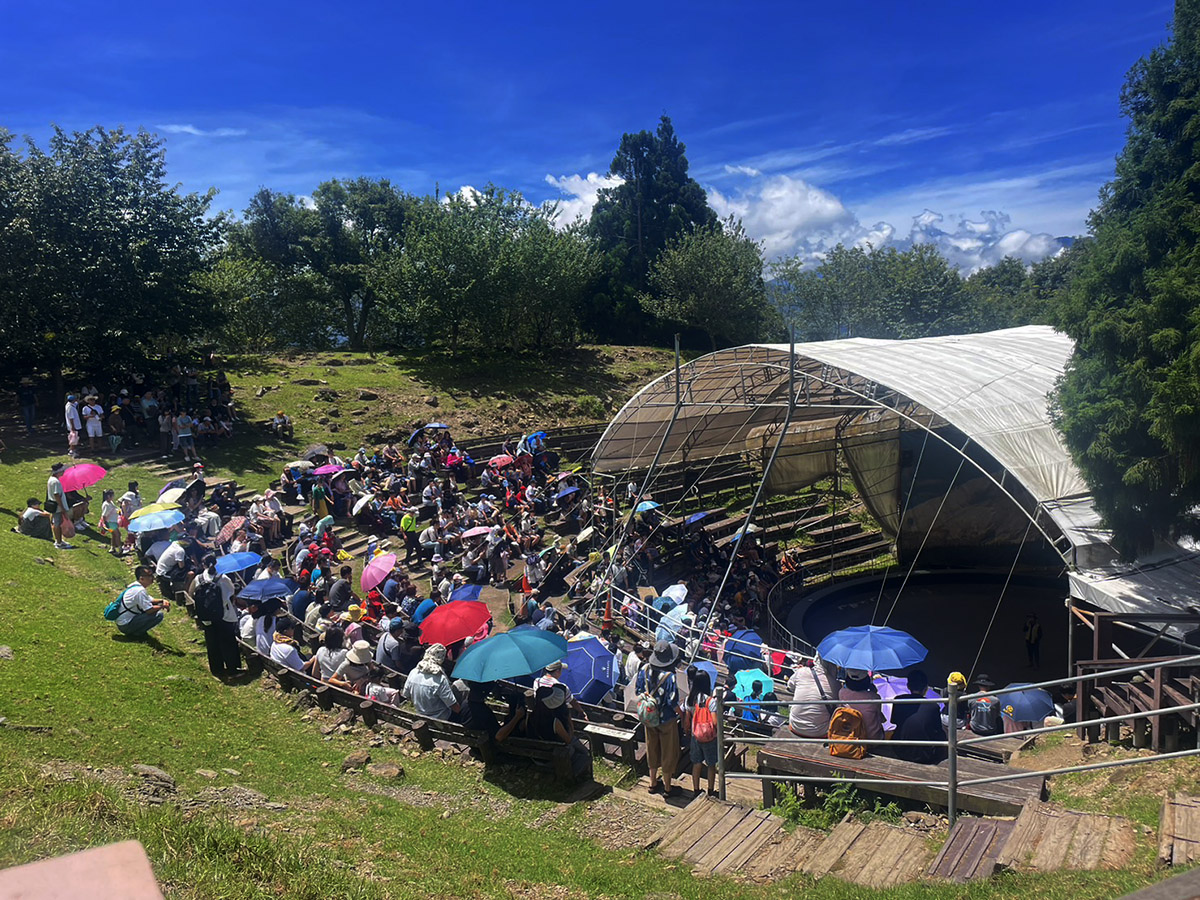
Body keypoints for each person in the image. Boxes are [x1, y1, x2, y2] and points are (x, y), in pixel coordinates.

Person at [637, 641, 683, 796]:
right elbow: (672, 702)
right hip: (666, 719)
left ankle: (652, 782)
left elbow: (638, 690)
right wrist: (682, 715)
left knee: (652, 748)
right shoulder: (670, 677)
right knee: (668, 751)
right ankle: (668, 787)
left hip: (649, 717)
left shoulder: (643, 670)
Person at [528, 683, 592, 779]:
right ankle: (585, 775)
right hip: (552, 758)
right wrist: (570, 724)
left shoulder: (531, 716)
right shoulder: (554, 721)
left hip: (536, 757)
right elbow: (568, 740)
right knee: (581, 749)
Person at [193, 554, 241, 680]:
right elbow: (230, 594)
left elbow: (193, 592)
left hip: (207, 616)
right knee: (228, 642)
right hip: (224, 615)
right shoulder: (222, 578)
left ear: (203, 565)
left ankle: (217, 669)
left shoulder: (198, 578)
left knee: (212, 642)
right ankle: (232, 669)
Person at [683, 666, 720, 796]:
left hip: (695, 735)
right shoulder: (711, 701)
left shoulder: (689, 699)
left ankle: (696, 789)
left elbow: (687, 720)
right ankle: (710, 790)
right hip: (709, 736)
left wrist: (687, 731)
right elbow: (715, 722)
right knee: (711, 764)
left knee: (696, 763)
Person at [401, 643, 461, 721]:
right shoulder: (439, 679)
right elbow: (453, 705)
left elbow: (406, 694)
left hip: (421, 715)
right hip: (441, 718)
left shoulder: (413, 672)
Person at [786, 655, 838, 738]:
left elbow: (790, 686)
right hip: (820, 732)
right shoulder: (835, 684)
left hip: (796, 726)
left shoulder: (801, 672)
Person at [116, 565, 170, 638]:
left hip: (123, 622)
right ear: (142, 578)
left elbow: (150, 600)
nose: (152, 578)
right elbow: (149, 610)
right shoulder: (140, 591)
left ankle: (137, 631)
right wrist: (162, 606)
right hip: (126, 625)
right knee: (158, 615)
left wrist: (162, 600)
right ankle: (137, 634)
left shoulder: (135, 586)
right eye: (149, 576)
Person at [838, 668, 885, 740]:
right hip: (872, 739)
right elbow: (880, 718)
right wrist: (873, 693)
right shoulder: (875, 697)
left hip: (852, 737)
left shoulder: (842, 693)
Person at [46, 462, 74, 549]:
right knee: (57, 523)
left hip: (55, 505)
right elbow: (57, 495)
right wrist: (62, 508)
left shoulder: (52, 480)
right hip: (58, 507)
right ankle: (58, 542)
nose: (63, 472)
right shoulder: (55, 482)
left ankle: (60, 540)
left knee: (57, 522)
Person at [99, 488, 122, 555]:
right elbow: (104, 515)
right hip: (110, 522)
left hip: (113, 522)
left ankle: (112, 548)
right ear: (109, 496)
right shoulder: (106, 505)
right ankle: (120, 549)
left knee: (114, 535)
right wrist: (106, 524)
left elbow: (114, 510)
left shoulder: (110, 503)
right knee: (118, 535)